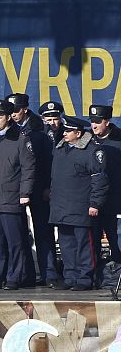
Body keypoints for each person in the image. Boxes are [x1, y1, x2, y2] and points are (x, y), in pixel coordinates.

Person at [0, 99, 36, 291]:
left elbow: (28, 167)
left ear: (8, 117)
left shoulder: (20, 139)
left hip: (11, 198)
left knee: (15, 241)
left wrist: (25, 192)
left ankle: (14, 276)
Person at [49, 116, 108, 290]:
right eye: (64, 131)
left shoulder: (92, 151)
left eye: (68, 131)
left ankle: (85, 278)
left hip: (81, 206)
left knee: (84, 244)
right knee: (66, 244)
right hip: (61, 206)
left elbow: (100, 180)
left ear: (78, 133)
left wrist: (95, 204)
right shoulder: (60, 149)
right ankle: (70, 276)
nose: (64, 134)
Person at [7, 92, 56, 288]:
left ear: (25, 109)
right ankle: (25, 273)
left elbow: (48, 162)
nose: (13, 115)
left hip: (37, 188)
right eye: (9, 111)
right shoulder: (7, 129)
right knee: (17, 234)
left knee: (43, 231)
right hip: (13, 190)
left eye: (16, 111)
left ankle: (49, 273)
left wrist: (47, 187)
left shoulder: (40, 129)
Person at [89, 104, 121, 267]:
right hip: (93, 201)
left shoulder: (118, 139)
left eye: (98, 121)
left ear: (107, 122)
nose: (94, 125)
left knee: (114, 240)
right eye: (92, 121)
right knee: (93, 240)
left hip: (114, 199)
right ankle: (96, 274)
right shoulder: (88, 140)